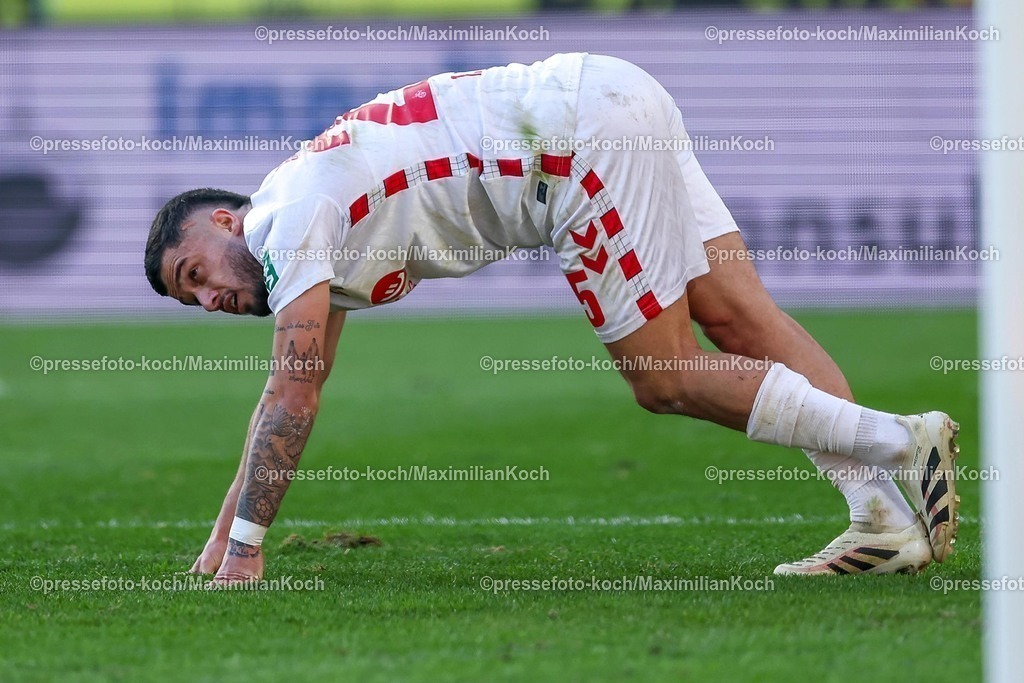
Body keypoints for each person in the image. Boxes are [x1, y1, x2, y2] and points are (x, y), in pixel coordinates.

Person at [144, 53, 959, 584]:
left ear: (223, 221)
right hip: (610, 93)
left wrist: (248, 552)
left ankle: (900, 437)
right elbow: (286, 390)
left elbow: (294, 397)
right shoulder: (301, 212)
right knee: (737, 316)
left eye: (196, 277)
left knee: (664, 376)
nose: (213, 300)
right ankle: (883, 516)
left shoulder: (283, 224)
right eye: (195, 303)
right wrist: (222, 536)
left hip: (575, 147)